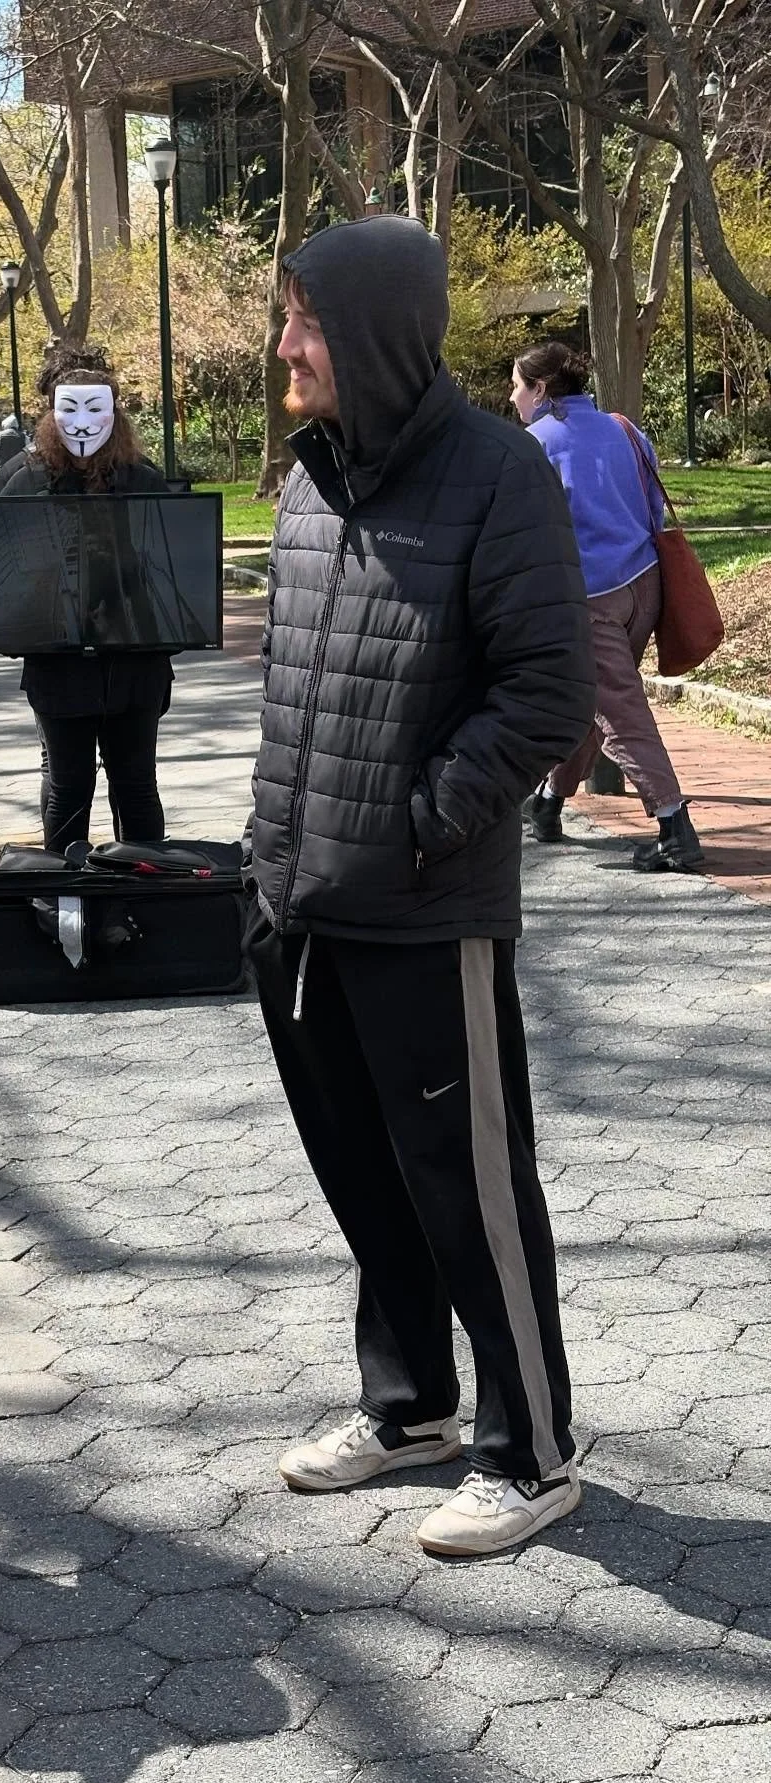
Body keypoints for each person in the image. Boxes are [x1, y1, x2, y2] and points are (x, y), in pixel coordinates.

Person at [249, 218, 596, 1557]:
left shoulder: (499, 475)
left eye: (306, 322)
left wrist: (420, 825)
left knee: (469, 1186)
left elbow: (547, 694)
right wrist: (268, 859)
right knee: (364, 1173)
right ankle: (409, 1409)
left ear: (375, 332)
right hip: (297, 903)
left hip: (424, 903)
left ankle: (531, 1450)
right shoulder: (309, 482)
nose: (287, 346)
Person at [512, 343, 701, 873]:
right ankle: (549, 802)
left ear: (541, 390)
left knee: (619, 710)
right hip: (644, 587)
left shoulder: (534, 445)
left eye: (517, 385)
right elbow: (651, 507)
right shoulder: (625, 429)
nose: (512, 396)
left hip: (589, 596)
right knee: (597, 700)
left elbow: (524, 536)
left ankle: (674, 825)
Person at [0, 346, 172, 851]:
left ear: (115, 413)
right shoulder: (23, 481)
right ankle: (67, 889)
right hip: (60, 661)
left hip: (132, 659)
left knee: (133, 784)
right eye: (70, 409)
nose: (83, 423)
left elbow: (166, 565)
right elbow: (3, 571)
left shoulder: (143, 478)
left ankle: (141, 887)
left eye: (96, 408)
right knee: (71, 785)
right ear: (52, 413)